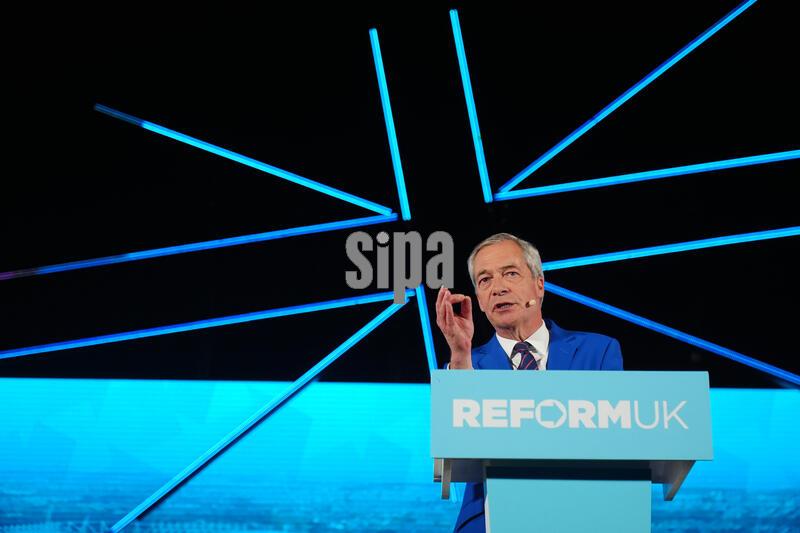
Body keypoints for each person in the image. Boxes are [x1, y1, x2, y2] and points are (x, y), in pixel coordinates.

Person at [435, 233, 623, 532]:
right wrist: (460, 352)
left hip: (583, 516)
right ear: (480, 301)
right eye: (485, 280)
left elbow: (618, 443)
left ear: (539, 284)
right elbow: (455, 449)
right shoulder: (465, 367)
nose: (498, 288)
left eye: (510, 273)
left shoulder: (597, 352)